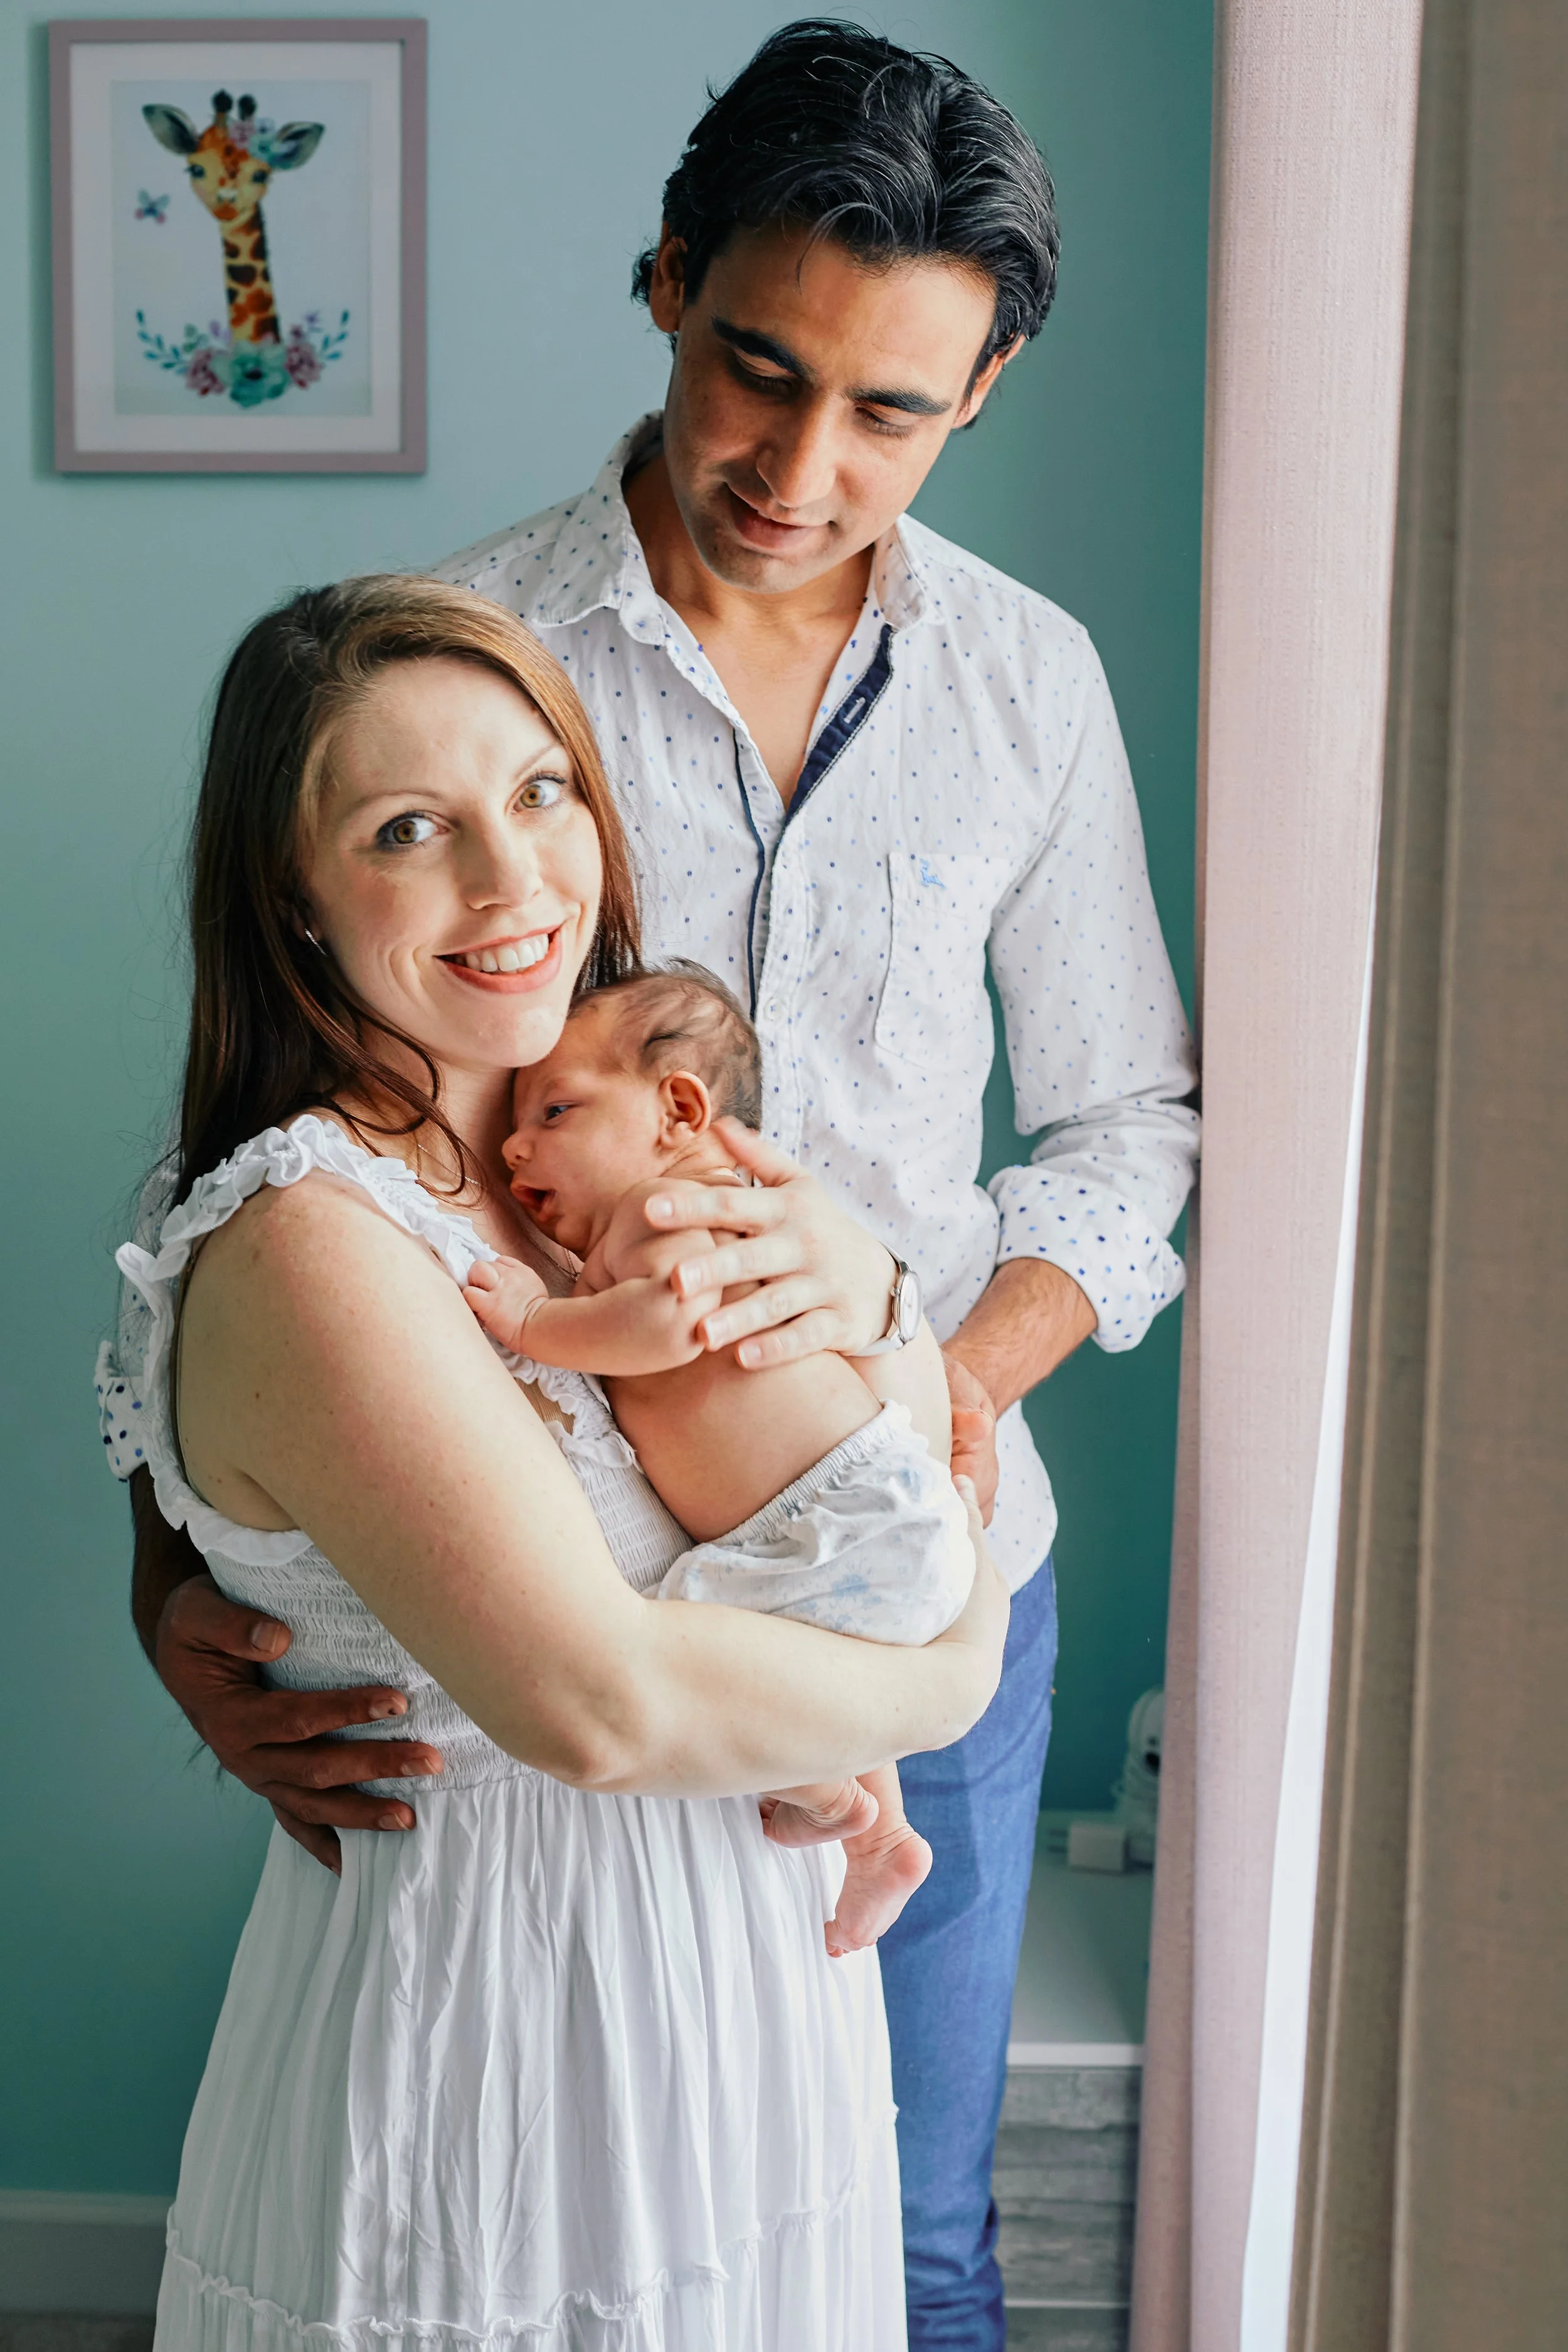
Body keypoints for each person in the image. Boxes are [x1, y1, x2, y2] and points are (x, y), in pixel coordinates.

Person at [107, 24, 1199, 2346]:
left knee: (895, 2233)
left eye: (890, 411)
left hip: (923, 1553)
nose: (803, 467)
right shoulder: (474, 680)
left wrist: (953, 1379)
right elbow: (293, 1182)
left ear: (981, 392)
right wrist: (178, 1578)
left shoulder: (1031, 685)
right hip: (560, 1582)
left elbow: (1126, 1133)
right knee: (563, 2227)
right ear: (668, 283)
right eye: (755, 368)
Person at [116, 572, 1006, 2349]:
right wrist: (942, 1671)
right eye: (406, 827)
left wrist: (880, 1285)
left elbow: (883, 1430)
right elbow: (597, 1703)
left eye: (540, 794)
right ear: (290, 895)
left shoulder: (595, 1145)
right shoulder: (317, 1234)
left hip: (741, 1988)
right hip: (509, 2044)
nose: (515, 881)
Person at [465, 959, 973, 1956]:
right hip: (854, 1523)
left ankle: (834, 1797)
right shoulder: (665, 1218)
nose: (519, 1144)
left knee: (697, 1647)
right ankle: (890, 1837)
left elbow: (668, 1323)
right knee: (833, 1663)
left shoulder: (675, 1214)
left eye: (556, 1110)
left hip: (833, 1513)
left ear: (678, 1108)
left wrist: (534, 1319)